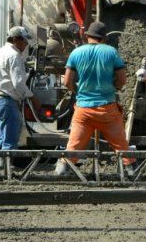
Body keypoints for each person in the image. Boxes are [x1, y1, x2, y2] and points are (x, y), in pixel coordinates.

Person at [55, 21, 137, 176]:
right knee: (121, 146)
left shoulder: (76, 52)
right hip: (107, 109)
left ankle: (62, 170)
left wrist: (78, 91)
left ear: (87, 36)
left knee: (73, 146)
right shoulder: (111, 52)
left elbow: (67, 81)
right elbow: (122, 79)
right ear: (104, 38)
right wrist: (114, 88)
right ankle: (131, 171)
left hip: (83, 110)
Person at [0, 26, 35, 167]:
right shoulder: (14, 56)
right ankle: (5, 171)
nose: (26, 45)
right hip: (5, 101)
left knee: (1, 135)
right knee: (10, 138)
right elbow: (18, 83)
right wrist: (31, 97)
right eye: (24, 41)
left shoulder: (0, 52)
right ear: (15, 39)